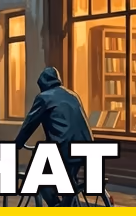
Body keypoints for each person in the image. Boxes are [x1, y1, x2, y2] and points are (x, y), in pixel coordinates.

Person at [15, 67, 94, 206]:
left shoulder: (44, 98)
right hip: (87, 147)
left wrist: (17, 144)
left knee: (38, 178)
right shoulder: (72, 95)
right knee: (69, 181)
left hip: (63, 148)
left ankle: (57, 208)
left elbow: (30, 124)